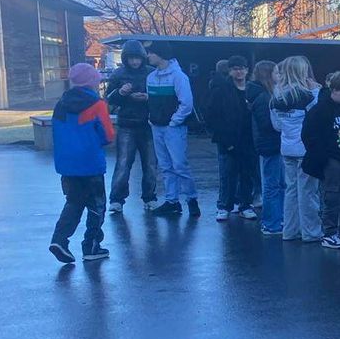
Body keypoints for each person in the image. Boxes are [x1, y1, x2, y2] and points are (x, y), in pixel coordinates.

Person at [48, 63, 114, 264]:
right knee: (97, 205)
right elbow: (108, 135)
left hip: (67, 165)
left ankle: (59, 239)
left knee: (74, 202)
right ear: (92, 82)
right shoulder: (97, 104)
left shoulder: (61, 104)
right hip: (90, 163)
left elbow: (56, 132)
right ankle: (91, 245)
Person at [302, 71, 340, 249]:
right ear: (334, 90)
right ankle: (329, 232)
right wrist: (323, 155)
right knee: (332, 196)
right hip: (332, 159)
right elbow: (308, 135)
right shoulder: (319, 110)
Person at [271, 56, 322, 244]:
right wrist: (317, 89)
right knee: (308, 191)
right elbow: (317, 120)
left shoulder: (276, 96)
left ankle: (290, 231)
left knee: (291, 190)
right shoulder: (310, 95)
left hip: (286, 147)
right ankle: (311, 231)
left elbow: (276, 125)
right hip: (305, 149)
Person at [146, 43, 198, 217]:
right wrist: (152, 119)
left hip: (173, 128)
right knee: (165, 165)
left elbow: (186, 103)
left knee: (179, 165)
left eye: (151, 53)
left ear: (161, 55)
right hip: (158, 126)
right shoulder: (151, 77)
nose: (148, 56)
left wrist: (174, 122)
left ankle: (191, 199)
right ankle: (172, 201)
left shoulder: (178, 76)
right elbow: (151, 101)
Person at [105, 40, 157, 213]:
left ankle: (149, 197)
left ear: (142, 58)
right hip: (126, 124)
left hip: (147, 124)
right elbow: (109, 99)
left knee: (150, 163)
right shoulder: (118, 74)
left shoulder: (151, 73)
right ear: (125, 59)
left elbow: (160, 96)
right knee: (123, 163)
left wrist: (148, 97)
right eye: (131, 59)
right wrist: (121, 93)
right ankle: (117, 199)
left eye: (137, 58)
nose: (134, 62)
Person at [206, 55, 258, 221]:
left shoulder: (253, 89)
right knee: (228, 175)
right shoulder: (221, 90)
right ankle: (223, 206)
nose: (239, 71)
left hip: (249, 140)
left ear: (247, 70)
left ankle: (245, 205)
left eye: (242, 68)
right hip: (228, 140)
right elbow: (213, 116)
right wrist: (224, 140)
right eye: (235, 68)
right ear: (229, 71)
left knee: (247, 174)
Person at [248, 60, 283, 235]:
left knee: (277, 184)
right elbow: (266, 124)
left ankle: (278, 219)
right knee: (271, 185)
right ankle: (271, 223)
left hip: (272, 144)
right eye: (276, 73)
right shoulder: (264, 98)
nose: (279, 76)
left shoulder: (266, 95)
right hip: (270, 145)